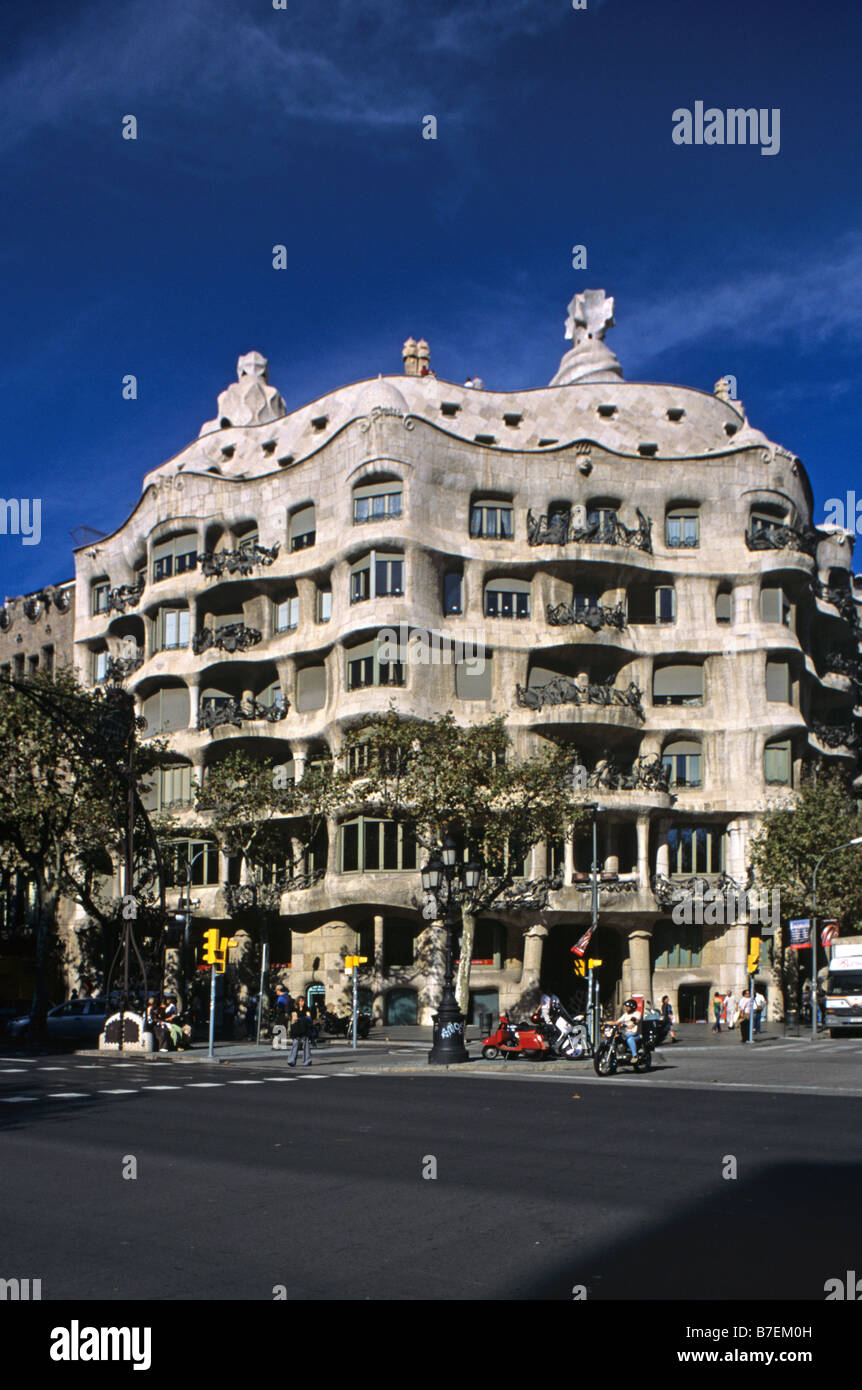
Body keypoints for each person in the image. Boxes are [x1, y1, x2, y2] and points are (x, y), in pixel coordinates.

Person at [288, 995, 313, 1067]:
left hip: (305, 1028)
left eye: (303, 1001)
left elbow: (309, 1017)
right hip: (297, 1029)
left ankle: (307, 1060)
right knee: (295, 1044)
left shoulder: (306, 1008)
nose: (302, 1002)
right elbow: (294, 1018)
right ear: (298, 1002)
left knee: (306, 1044)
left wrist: (301, 1019)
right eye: (301, 1001)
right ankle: (291, 1060)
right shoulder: (295, 1009)